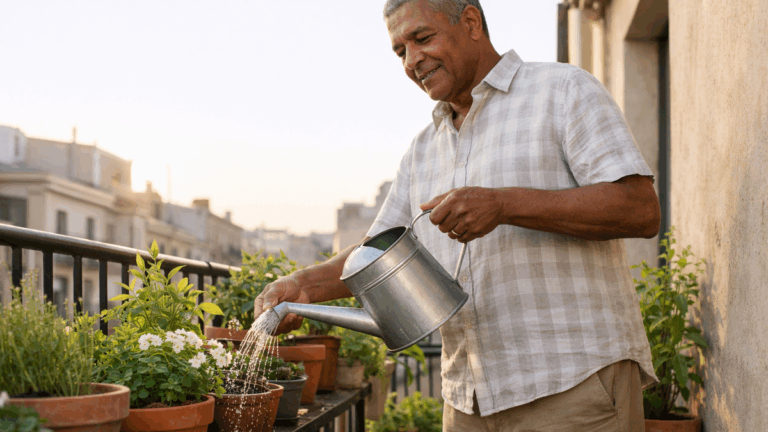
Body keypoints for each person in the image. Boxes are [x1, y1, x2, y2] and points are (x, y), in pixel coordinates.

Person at [254, 0, 661, 430]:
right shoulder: (423, 149)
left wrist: (504, 205)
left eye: (422, 38)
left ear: (470, 22)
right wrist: (301, 285)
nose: (412, 61)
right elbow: (372, 256)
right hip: (468, 403)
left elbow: (638, 209)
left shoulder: (562, 90)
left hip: (572, 390)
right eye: (399, 51)